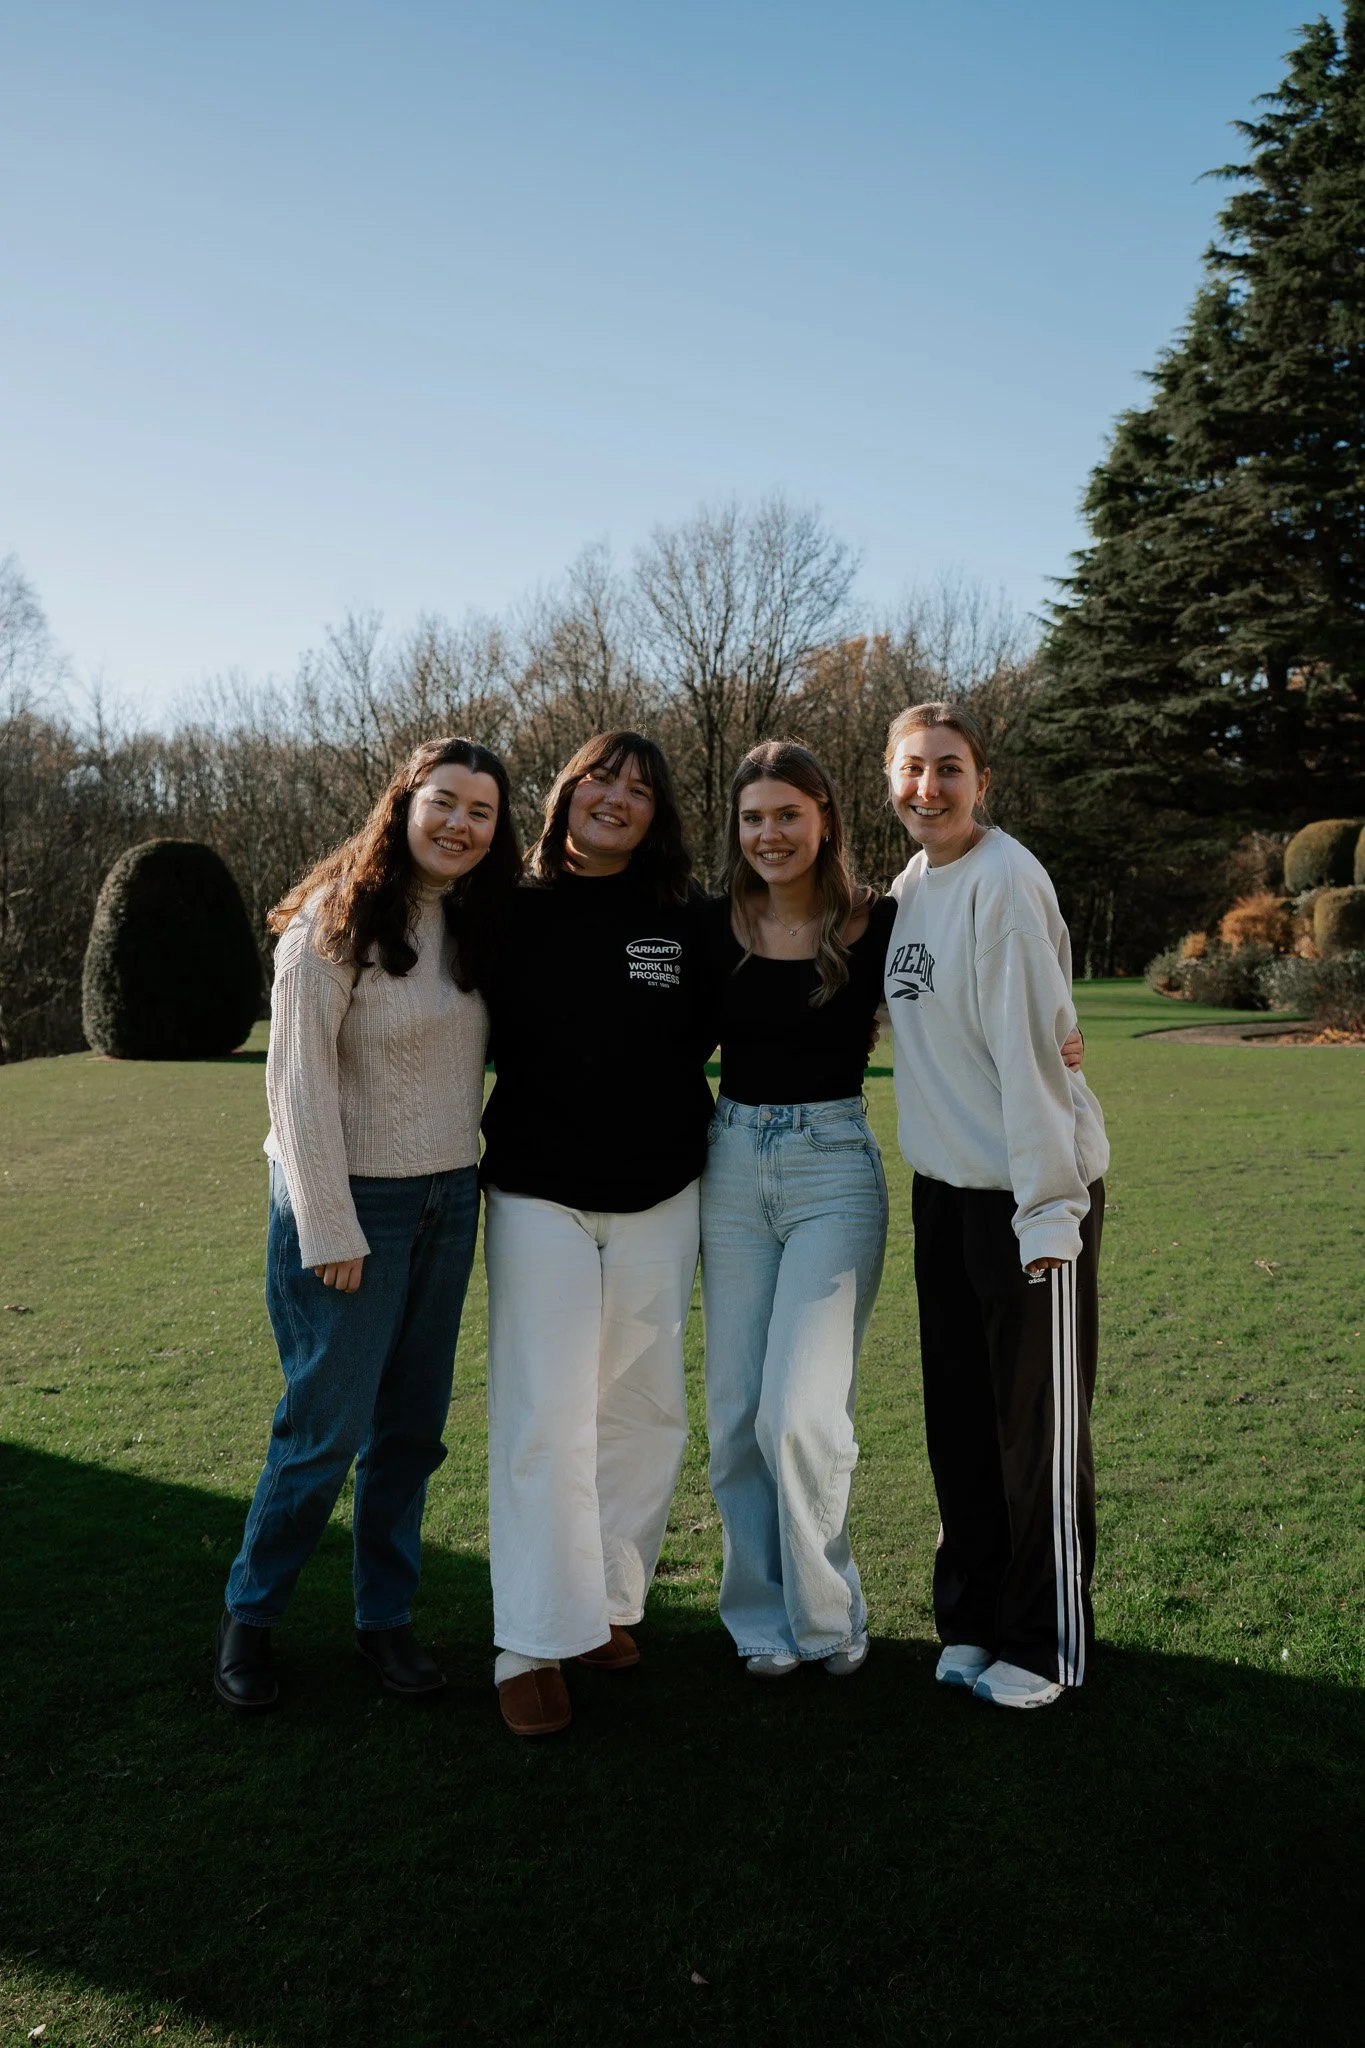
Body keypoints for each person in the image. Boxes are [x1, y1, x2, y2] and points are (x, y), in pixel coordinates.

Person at [214, 737, 521, 1712]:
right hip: (353, 1205)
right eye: (445, 801)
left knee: (410, 1432)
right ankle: (249, 1619)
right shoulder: (329, 920)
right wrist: (330, 1225)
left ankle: (383, 1621)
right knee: (323, 1431)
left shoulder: (476, 920)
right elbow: (296, 1087)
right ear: (403, 802)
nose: (461, 822)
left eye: (481, 809)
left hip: (447, 1198)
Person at [479, 731, 714, 1737]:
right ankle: (528, 1639)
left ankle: (605, 1606)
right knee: (546, 1411)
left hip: (663, 1189)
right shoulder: (502, 910)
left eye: (640, 788)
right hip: (539, 1192)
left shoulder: (690, 920)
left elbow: (806, 961)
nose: (617, 797)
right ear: (566, 791)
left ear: (657, 816)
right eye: (602, 779)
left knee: (644, 1407)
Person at [883, 702, 1108, 1710]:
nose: (928, 787)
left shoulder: (1007, 882)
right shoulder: (910, 885)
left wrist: (1051, 1209)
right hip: (945, 1194)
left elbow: (1031, 1058)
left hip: (1030, 1196)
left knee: (1036, 1430)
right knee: (961, 1424)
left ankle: (1044, 1641)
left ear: (983, 781)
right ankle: (972, 1618)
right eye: (911, 768)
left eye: (949, 769)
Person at [698, 742, 895, 1679]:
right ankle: (757, 1617)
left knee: (798, 1413)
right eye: (752, 819)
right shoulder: (712, 926)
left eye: (786, 815)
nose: (769, 835)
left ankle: (829, 1615)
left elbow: (966, 997)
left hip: (833, 1171)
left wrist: (1049, 1040)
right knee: (736, 1413)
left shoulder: (877, 921)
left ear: (824, 818)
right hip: (731, 1167)